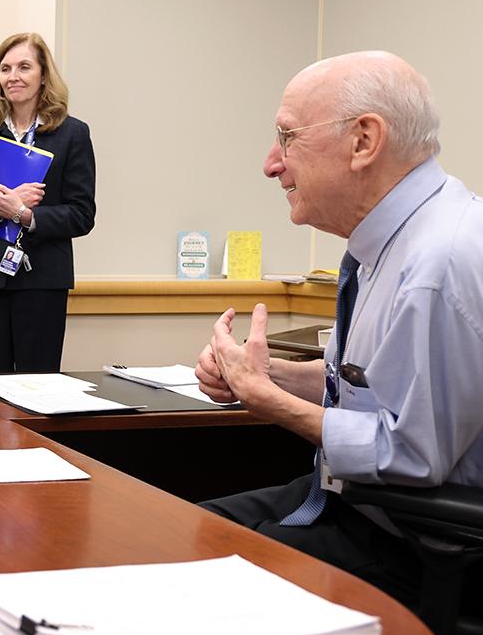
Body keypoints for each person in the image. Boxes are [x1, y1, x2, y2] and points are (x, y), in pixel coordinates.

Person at [195, 51, 483, 604]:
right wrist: (266, 374)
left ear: (363, 141)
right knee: (184, 531)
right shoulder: (389, 243)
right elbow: (368, 386)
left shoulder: (438, 263)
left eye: (287, 138)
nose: (271, 164)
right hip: (357, 504)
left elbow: (413, 456)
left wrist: (268, 401)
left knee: (210, 583)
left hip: (424, 545)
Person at [0, 32, 96, 374]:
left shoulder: (73, 135)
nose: (13, 77)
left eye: (24, 67)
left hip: (43, 282)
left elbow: (82, 215)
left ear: (43, 75)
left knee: (37, 388)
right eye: (5, 68)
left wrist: (25, 214)